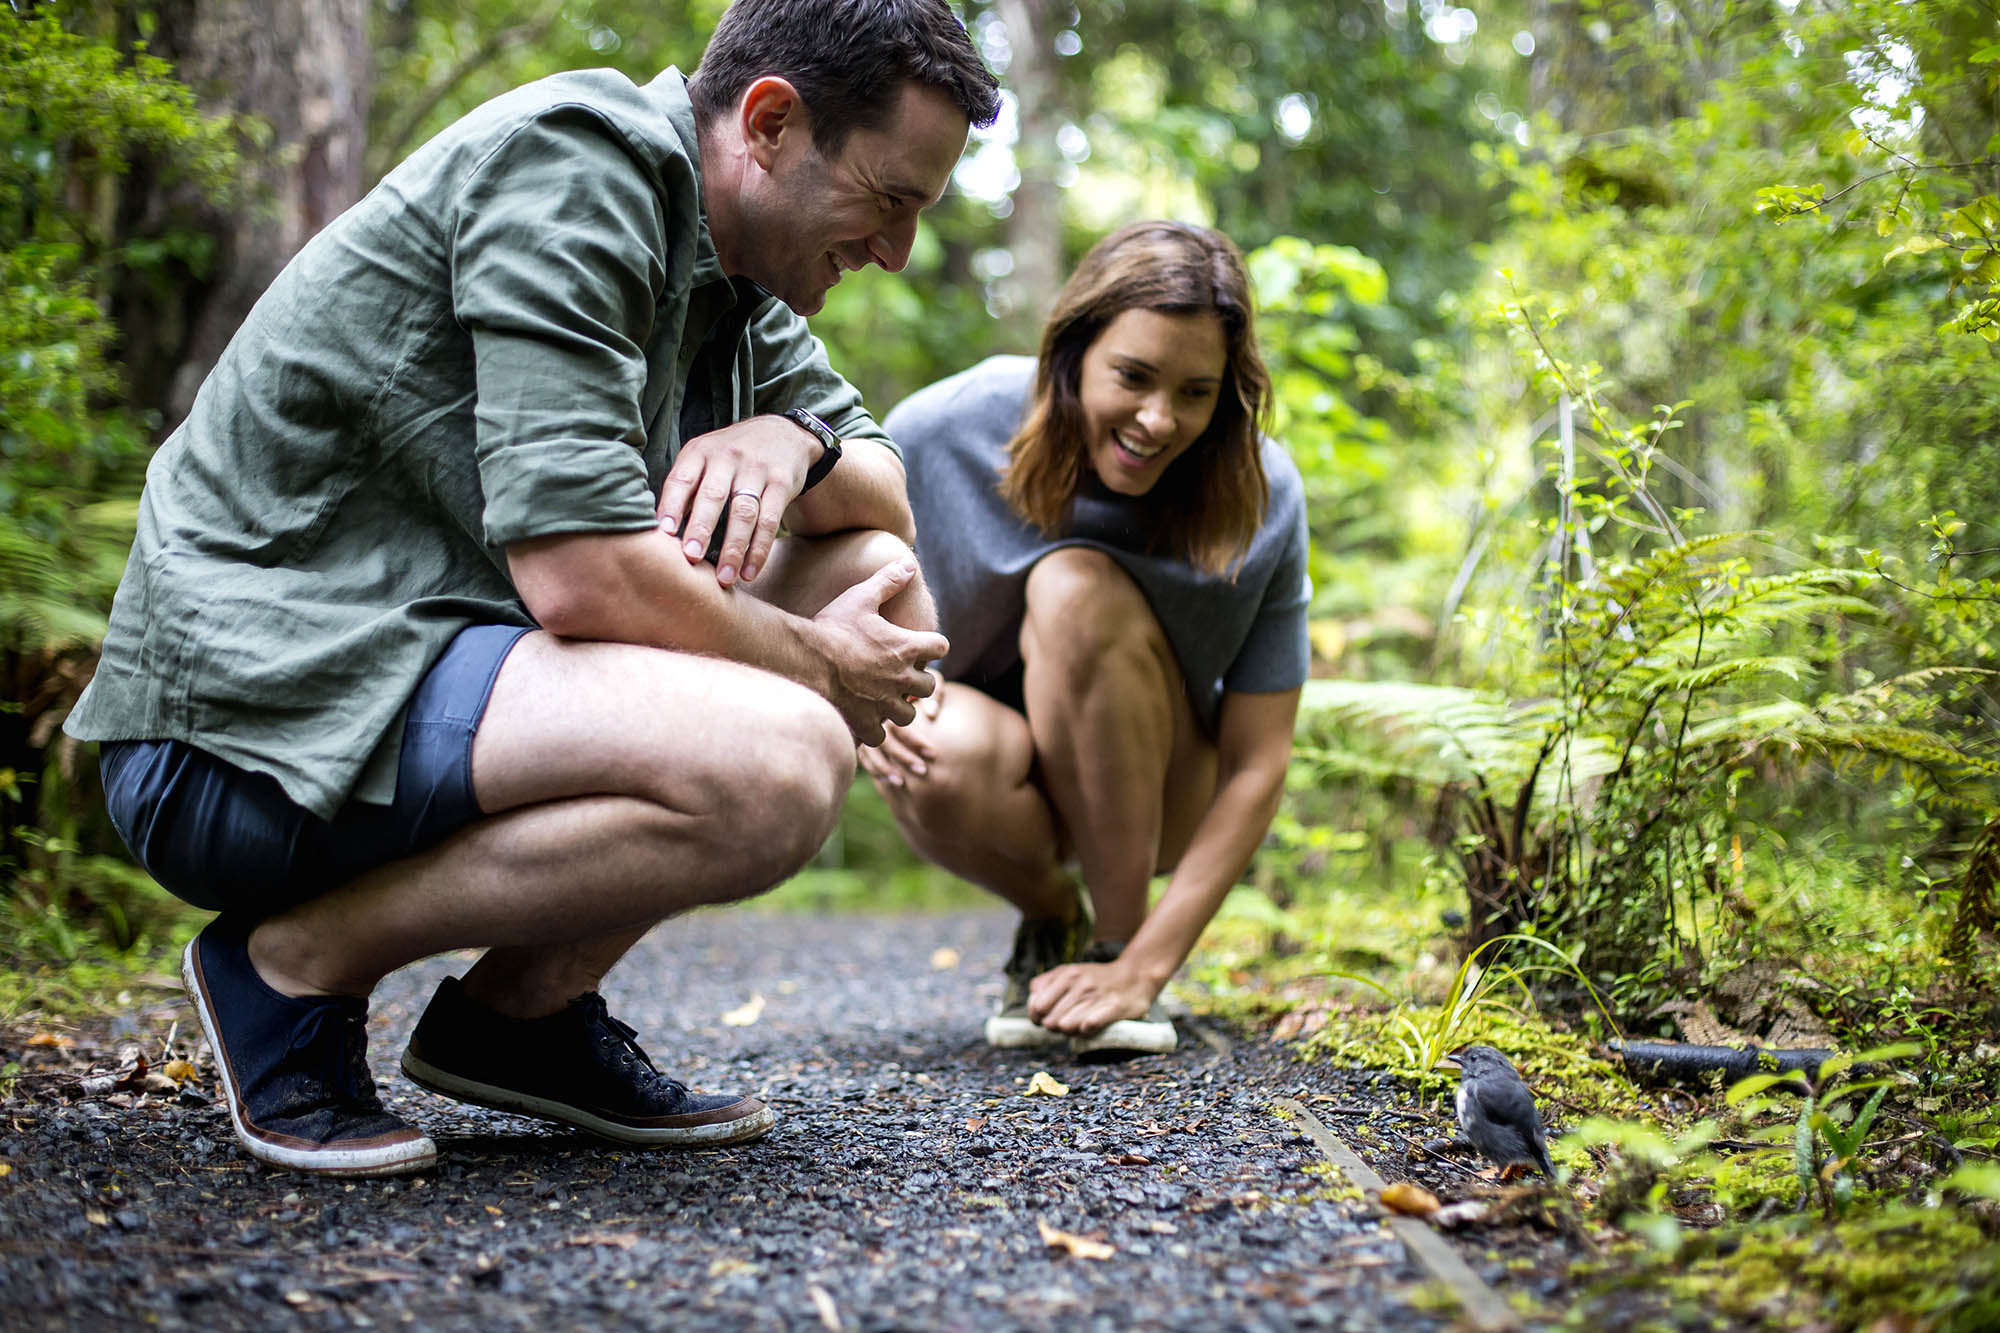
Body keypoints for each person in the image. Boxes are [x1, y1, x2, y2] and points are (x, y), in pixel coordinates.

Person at [63, 0, 1000, 1177]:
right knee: (782, 762)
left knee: (872, 576)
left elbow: (885, 495)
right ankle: (288, 967)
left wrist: (795, 438)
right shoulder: (579, 166)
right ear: (769, 125)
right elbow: (579, 570)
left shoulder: (739, 278)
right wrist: (819, 669)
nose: (896, 249)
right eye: (889, 198)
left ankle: (522, 1017)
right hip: (245, 725)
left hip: (442, 679)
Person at [862, 222, 1309, 1056]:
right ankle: (1053, 917)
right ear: (1072, 353)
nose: (1157, 419)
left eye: (1195, 392)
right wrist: (860, 697)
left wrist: (1145, 964)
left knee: (1073, 587)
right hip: (991, 776)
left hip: (1165, 789)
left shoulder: (1263, 495)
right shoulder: (940, 431)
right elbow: (831, 602)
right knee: (931, 743)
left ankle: (1114, 951)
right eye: (1132, 376)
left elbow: (1259, 761)